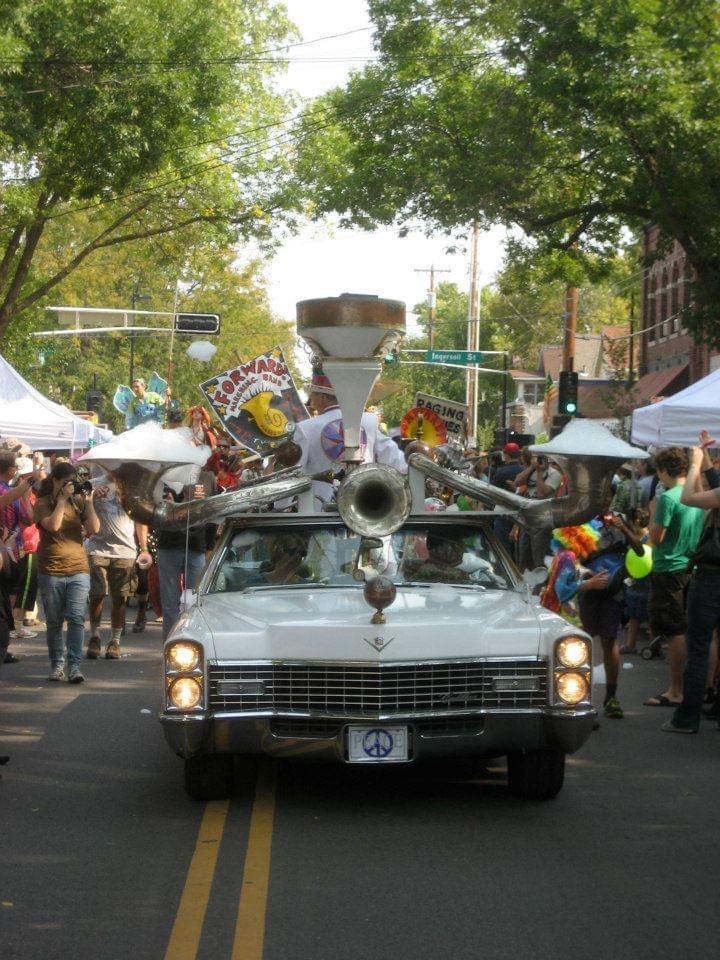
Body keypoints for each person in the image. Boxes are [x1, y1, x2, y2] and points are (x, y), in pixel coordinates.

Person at [662, 442, 720, 733]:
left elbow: (689, 498)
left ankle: (686, 719)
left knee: (698, 646)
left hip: (712, 577)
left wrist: (695, 463)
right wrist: (706, 459)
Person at [643, 447, 705, 708]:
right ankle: (697, 687)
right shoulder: (698, 495)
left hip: (668, 566)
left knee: (673, 630)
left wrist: (653, 512)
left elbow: (656, 538)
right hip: (692, 566)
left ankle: (676, 690)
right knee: (690, 629)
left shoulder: (668, 498)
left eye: (659, 472)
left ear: (664, 470)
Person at [292, 369, 407, 506]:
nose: (311, 401)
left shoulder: (305, 428)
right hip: (365, 507)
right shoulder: (368, 421)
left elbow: (294, 473)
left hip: (320, 512)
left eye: (313, 396)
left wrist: (279, 507)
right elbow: (397, 463)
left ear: (321, 396)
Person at [34, 462, 100, 683]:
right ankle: (57, 664)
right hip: (51, 570)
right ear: (54, 481)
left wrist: (89, 503)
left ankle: (75, 666)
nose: (70, 487)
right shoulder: (43, 503)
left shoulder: (78, 502)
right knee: (54, 621)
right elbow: (52, 526)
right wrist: (61, 500)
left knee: (76, 618)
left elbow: (94, 529)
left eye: (73, 483)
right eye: (65, 483)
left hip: (78, 569)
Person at [577, 511, 646, 719]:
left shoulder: (619, 519)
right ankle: (579, 698)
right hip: (588, 589)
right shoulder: (580, 518)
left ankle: (611, 697)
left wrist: (623, 528)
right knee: (582, 643)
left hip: (613, 591)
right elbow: (571, 556)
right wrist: (585, 573)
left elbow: (640, 550)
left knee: (609, 640)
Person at [85, 477, 151, 660]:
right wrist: (90, 494)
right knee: (97, 594)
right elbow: (82, 507)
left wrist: (144, 548)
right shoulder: (93, 484)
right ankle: (95, 637)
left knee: (119, 597)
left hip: (125, 551)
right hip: (98, 547)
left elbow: (140, 520)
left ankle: (115, 641)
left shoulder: (133, 488)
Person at [156, 471, 217, 639]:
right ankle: (170, 643)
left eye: (197, 443)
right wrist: (167, 506)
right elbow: (155, 510)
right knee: (170, 603)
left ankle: (192, 640)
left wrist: (210, 547)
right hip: (169, 545)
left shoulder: (207, 477)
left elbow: (213, 511)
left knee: (194, 601)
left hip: (197, 547)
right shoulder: (166, 475)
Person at [514, 454, 563, 570]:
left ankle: (540, 584)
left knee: (539, 556)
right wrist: (531, 468)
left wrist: (540, 473)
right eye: (535, 457)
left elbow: (541, 493)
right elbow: (517, 482)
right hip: (526, 518)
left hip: (542, 519)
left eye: (541, 458)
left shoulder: (554, 474)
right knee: (523, 556)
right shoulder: (530, 471)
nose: (538, 460)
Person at [618, 508, 651, 654]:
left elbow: (640, 554)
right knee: (638, 614)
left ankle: (634, 644)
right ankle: (646, 644)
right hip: (639, 581)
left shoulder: (644, 539)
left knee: (636, 615)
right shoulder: (647, 536)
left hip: (642, 581)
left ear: (636, 521)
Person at [490, 442, 523, 554]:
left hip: (504, 513)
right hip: (521, 514)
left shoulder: (501, 472)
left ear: (506, 455)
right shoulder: (525, 470)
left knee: (502, 548)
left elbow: (492, 492)